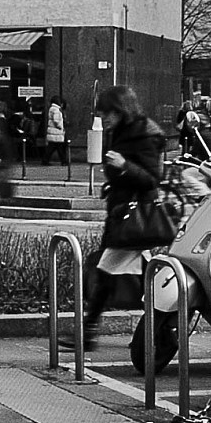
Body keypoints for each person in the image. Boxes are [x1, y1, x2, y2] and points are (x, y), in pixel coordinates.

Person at [81, 84, 167, 344]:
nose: (103, 118)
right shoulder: (122, 131)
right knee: (141, 275)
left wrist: (124, 166)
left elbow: (153, 179)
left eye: (108, 112)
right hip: (123, 212)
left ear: (121, 110)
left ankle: (89, 331)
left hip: (135, 216)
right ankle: (158, 328)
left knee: (106, 270)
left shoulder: (144, 134)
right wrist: (114, 181)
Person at [44, 97, 69, 168]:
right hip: (57, 132)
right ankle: (63, 161)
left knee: (51, 148)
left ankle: (45, 160)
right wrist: (61, 126)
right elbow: (56, 120)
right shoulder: (56, 110)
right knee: (60, 147)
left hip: (53, 132)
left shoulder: (52, 108)